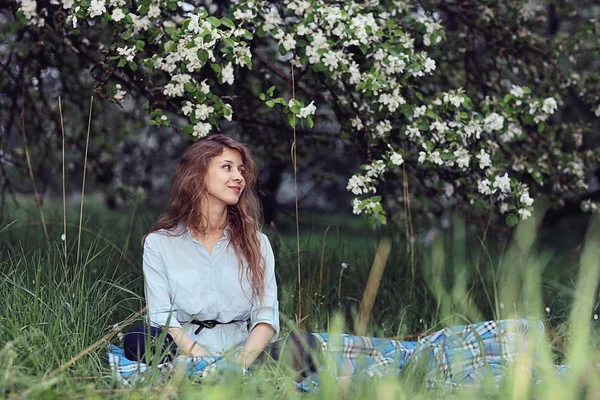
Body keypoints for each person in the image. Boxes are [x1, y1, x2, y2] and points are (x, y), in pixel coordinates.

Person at [124, 135, 279, 370]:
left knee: (307, 347)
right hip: (182, 351)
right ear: (198, 174)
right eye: (227, 167)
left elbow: (266, 316)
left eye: (241, 170)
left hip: (243, 352)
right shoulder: (159, 243)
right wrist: (205, 360)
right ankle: (196, 372)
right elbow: (162, 317)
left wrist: (239, 366)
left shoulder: (258, 243)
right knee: (139, 339)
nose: (239, 177)